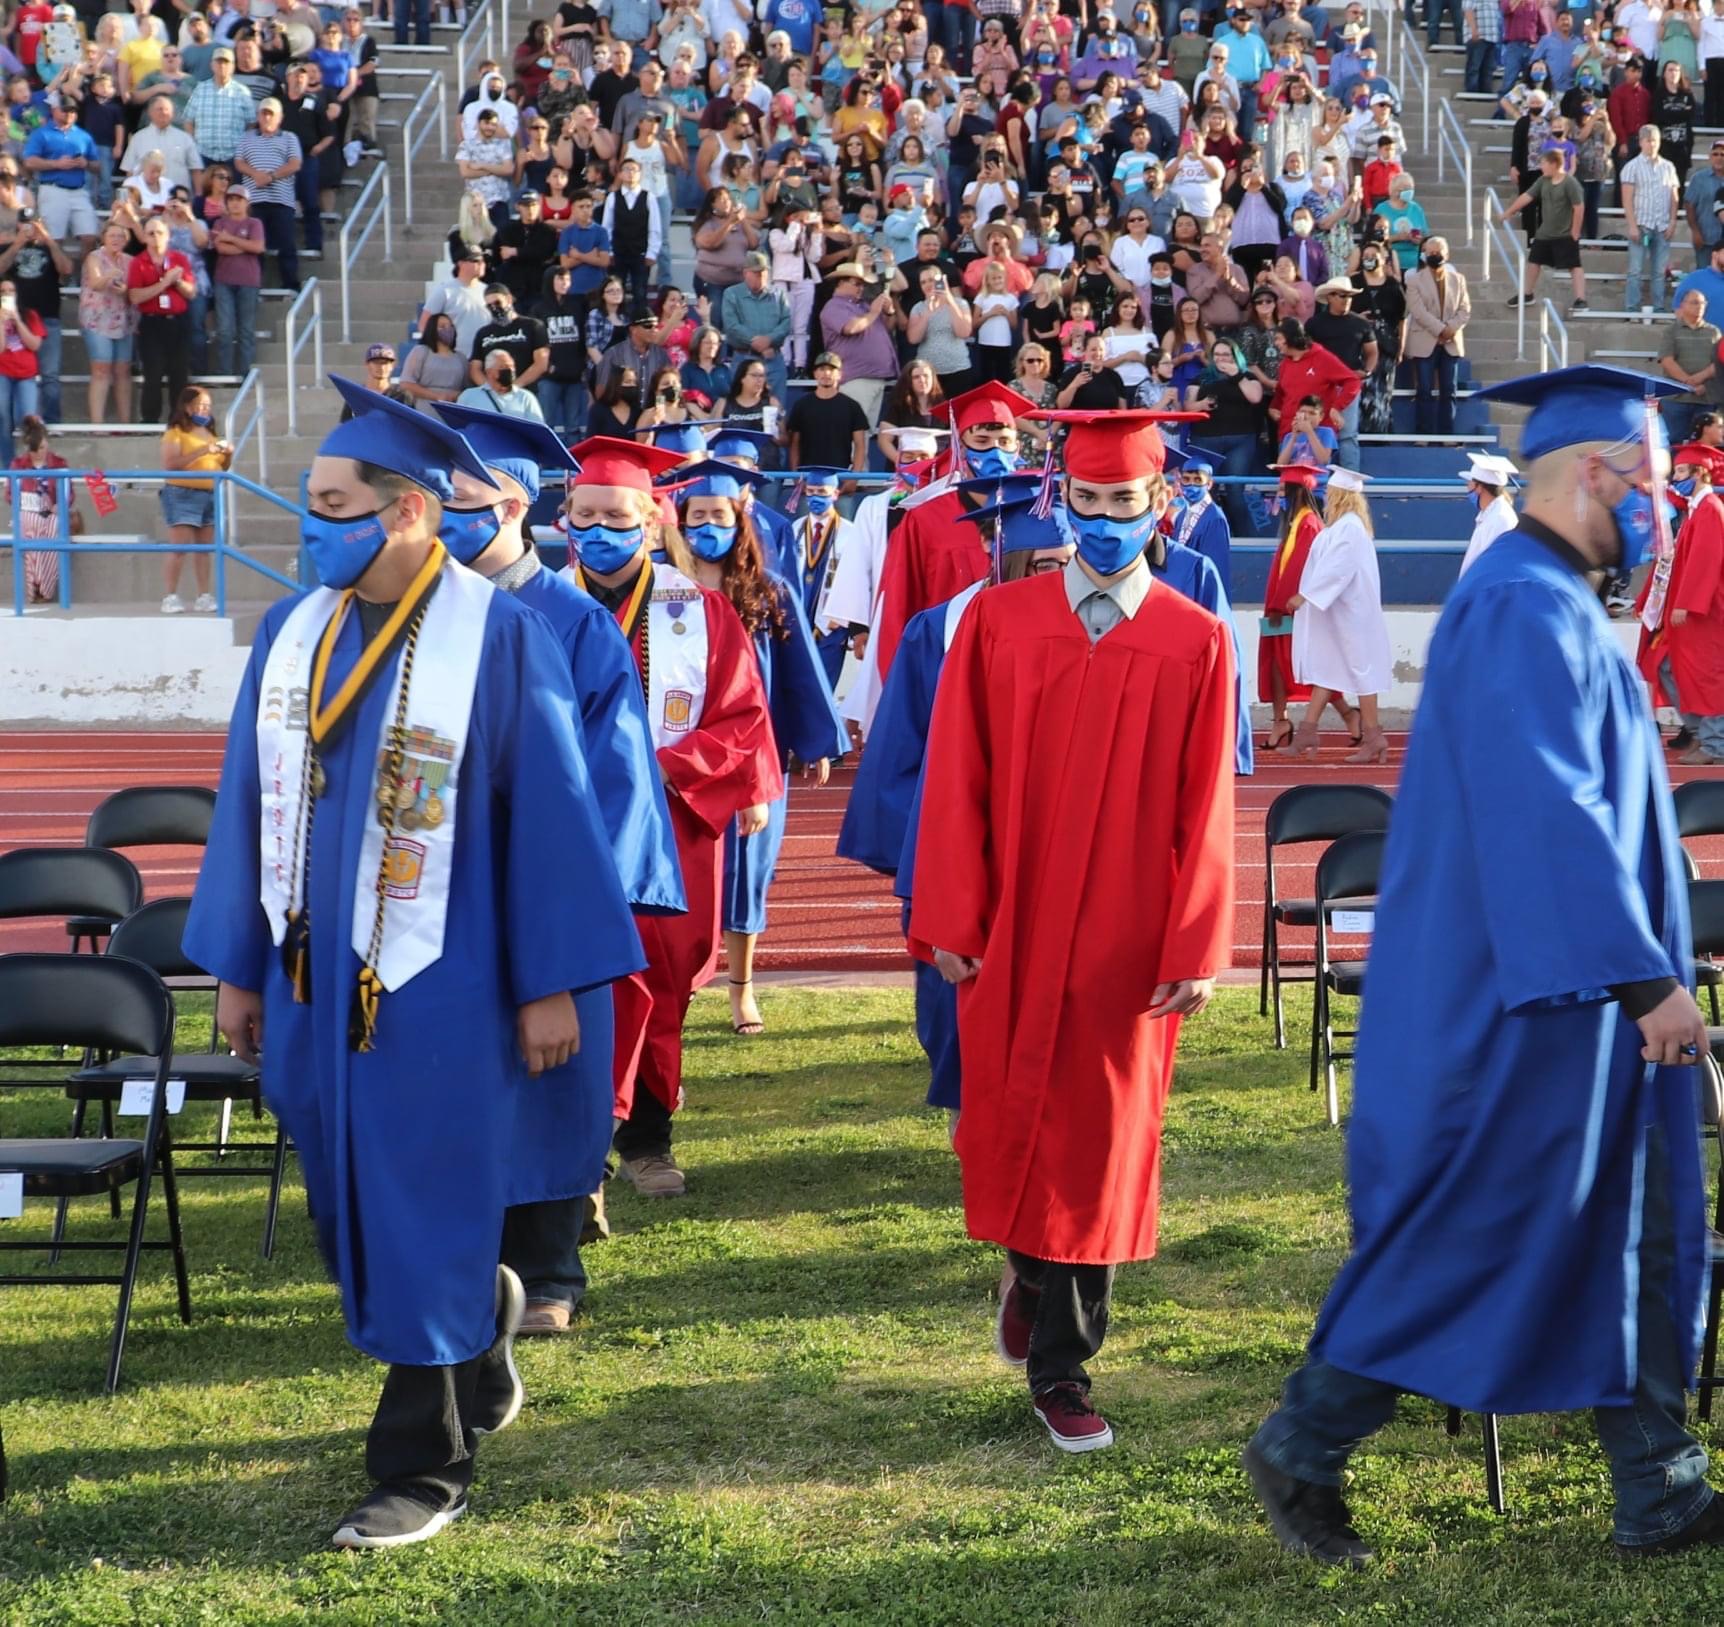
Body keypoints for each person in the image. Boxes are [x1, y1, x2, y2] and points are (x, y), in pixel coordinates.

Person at [1243, 364, 1724, 1568]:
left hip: (1565, 988)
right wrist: (1640, 977)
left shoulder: (1543, 595)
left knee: (1627, 1221)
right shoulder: (1520, 604)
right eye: (1652, 486)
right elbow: (1544, 811)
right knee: (1484, 1229)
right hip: (1530, 999)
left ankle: (1659, 1482)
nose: (1660, 510)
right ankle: (1304, 1440)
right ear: (1592, 476)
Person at [184, 381, 641, 1550]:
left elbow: (551, 811)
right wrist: (240, 963)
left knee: (421, 1198)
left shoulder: (497, 638)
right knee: (353, 1210)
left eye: (331, 503)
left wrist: (549, 981)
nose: (309, 523)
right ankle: (472, 1329)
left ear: (405, 514)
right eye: (308, 501)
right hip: (309, 982)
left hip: (445, 977)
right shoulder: (297, 633)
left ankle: (422, 1463)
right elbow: (247, 800)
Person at [909, 409, 1236, 1454]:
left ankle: (1062, 1363)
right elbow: (954, 780)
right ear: (1061, 499)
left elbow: (1205, 809)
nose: (1102, 522)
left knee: (1096, 1145)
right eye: (1086, 502)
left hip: (1125, 935)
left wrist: (1192, 944)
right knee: (1011, 1112)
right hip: (1013, 917)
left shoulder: (1195, 638)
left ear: (1160, 506)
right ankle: (1027, 1263)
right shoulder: (998, 623)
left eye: (1122, 504)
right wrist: (951, 915)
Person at [429, 402, 683, 1324]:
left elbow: (614, 779)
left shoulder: (571, 621)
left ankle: (547, 1272)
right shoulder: (421, 611)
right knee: (455, 1073)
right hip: (440, 897)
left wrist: (577, 907)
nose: (438, 514)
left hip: (540, 890)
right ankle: (462, 1258)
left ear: (511, 503)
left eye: (457, 498)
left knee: (549, 1074)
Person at [562, 435, 780, 1199]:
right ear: (564, 518)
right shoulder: (534, 607)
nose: (598, 531)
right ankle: (573, 1144)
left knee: (657, 981)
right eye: (583, 515)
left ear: (653, 522)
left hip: (664, 824)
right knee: (567, 975)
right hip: (558, 826)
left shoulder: (704, 611)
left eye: (616, 516)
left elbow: (740, 717)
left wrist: (655, 770)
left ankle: (648, 1139)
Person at [838, 483, 1072, 1121]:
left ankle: (1036, 1106)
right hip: (957, 836)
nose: (1056, 575)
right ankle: (974, 1107)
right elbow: (899, 752)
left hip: (1052, 837)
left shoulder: (1089, 630)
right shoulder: (938, 628)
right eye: (1042, 564)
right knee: (956, 981)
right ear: (1004, 558)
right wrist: (922, 853)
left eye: (1064, 562)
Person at [668, 458, 846, 1037]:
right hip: (682, 750)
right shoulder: (663, 591)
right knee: (683, 880)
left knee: (748, 874)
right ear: (681, 521)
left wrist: (815, 740)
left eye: (719, 515)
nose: (708, 527)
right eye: (698, 517)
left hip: (752, 751)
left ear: (738, 519)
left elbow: (799, 673)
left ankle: (741, 990)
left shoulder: (769, 592)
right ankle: (680, 989)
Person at [872, 380, 1039, 683]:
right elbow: (899, 611)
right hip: (946, 674)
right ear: (961, 447)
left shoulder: (1039, 515)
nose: (995, 451)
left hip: (1025, 672)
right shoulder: (924, 521)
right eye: (983, 441)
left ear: (1017, 446)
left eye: (1004, 441)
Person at [1280, 466, 1390, 763]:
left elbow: (1337, 569)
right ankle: (1307, 732)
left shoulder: (1350, 529)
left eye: (1331, 493)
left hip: (1352, 615)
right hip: (1338, 613)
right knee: (1329, 669)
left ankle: (1373, 736)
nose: (1326, 497)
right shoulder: (1341, 527)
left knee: (1361, 671)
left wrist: (1305, 596)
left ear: (1341, 496)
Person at [1638, 438, 1724, 765]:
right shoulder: (1696, 509)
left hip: (1704, 612)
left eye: (1682, 471)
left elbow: (1706, 562)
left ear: (1701, 473)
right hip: (1686, 611)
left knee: (1708, 675)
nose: (1677, 478)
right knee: (1667, 666)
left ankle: (1715, 744)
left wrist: (1686, 603)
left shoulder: (1710, 511)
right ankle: (1702, 734)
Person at [1257, 462, 1325, 750]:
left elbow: (1298, 569)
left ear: (1298, 491)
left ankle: (1353, 717)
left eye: (1284, 489)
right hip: (1281, 608)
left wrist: (1278, 605)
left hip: (1291, 610)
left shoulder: (1309, 524)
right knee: (1276, 663)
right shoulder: (1296, 522)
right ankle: (1280, 720)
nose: (1279, 495)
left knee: (1306, 667)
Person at [157, 384, 231, 615]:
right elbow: (170, 465)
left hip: (209, 493)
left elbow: (222, 467)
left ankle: (204, 595)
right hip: (182, 493)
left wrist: (227, 455)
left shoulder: (210, 432)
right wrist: (202, 451)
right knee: (179, 547)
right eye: (201, 406)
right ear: (188, 408)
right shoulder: (176, 432)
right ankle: (170, 595)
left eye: (208, 406)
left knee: (204, 549)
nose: (205, 410)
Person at [1501, 147, 1588, 313]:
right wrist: (1509, 212)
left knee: (1574, 265)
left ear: (1554, 164)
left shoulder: (1570, 183)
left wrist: (1575, 231)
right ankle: (1527, 294)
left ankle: (1581, 299)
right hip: (1545, 233)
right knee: (1534, 262)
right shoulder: (1543, 181)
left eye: (1543, 163)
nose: (1541, 167)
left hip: (1565, 233)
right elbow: (1527, 196)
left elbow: (1579, 207)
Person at [1402, 236, 1469, 436]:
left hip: (1451, 342)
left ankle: (1447, 434)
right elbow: (1417, 310)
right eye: (1430, 252)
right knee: (1424, 390)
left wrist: (1450, 328)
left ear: (1447, 255)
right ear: (1423, 254)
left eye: (1438, 251)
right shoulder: (1413, 280)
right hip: (1425, 340)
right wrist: (1441, 329)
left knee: (1449, 390)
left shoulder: (1459, 280)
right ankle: (1423, 434)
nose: (1434, 255)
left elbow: (1465, 309)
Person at [1620, 122, 1683, 311]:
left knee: (1658, 272)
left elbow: (1674, 197)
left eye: (1654, 140)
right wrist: (1632, 225)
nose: (1652, 144)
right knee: (1635, 270)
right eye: (1648, 141)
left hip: (1662, 225)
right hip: (1642, 224)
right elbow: (1627, 199)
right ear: (1640, 142)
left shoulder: (1668, 167)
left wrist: (1672, 221)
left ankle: (1658, 307)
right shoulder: (1632, 167)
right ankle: (1632, 307)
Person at [10, 411, 65, 603]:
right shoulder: (18, 465)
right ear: (30, 450)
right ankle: (36, 589)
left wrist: (60, 504)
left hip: (52, 511)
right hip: (28, 511)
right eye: (39, 449)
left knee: (51, 528)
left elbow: (68, 493)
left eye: (44, 446)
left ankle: (43, 587)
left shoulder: (59, 463)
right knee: (31, 527)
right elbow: (10, 494)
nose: (43, 451)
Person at [786, 350, 868, 470]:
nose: (827, 373)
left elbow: (860, 445)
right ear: (815, 373)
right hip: (808, 472)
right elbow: (794, 444)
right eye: (822, 369)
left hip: (840, 473)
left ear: (840, 374)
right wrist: (796, 476)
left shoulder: (852, 407)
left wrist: (854, 477)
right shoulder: (801, 405)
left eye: (832, 369)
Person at [1458, 451, 1520, 573]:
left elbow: (1494, 568)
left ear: (1479, 487)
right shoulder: (1492, 514)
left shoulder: (1500, 519)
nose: (1467, 487)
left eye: (1470, 483)